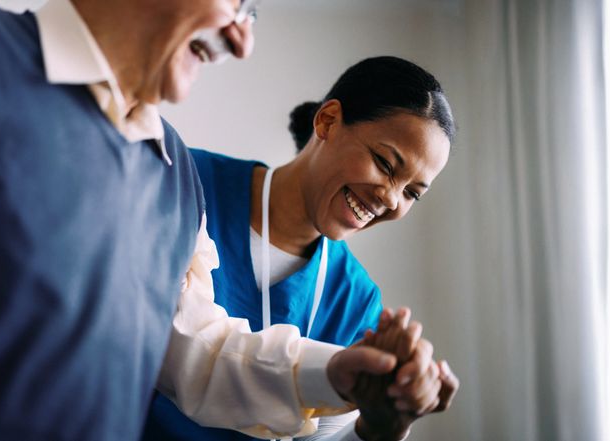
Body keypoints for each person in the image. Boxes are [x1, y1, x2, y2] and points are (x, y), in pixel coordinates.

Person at [0, 1, 424, 439]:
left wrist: (339, 375)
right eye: (236, 3)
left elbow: (198, 353)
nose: (243, 40)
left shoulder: (174, 176)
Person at [143, 56, 461, 440]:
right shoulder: (185, 184)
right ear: (327, 121)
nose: (391, 199)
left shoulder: (355, 301)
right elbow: (175, 350)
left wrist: (380, 425)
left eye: (412, 193)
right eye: (384, 163)